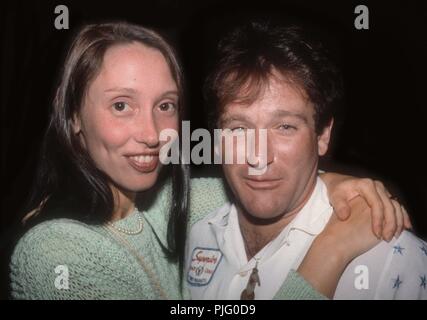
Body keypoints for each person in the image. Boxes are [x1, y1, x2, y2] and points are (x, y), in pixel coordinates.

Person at [9, 21, 408, 300]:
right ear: (74, 117)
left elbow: (260, 182)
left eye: (164, 105)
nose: (152, 133)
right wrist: (330, 253)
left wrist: (332, 183)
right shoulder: (52, 254)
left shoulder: (171, 203)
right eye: (121, 105)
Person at [186, 20, 427, 300]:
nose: (258, 157)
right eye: (239, 129)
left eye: (285, 127)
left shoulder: (391, 264)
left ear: (323, 135)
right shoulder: (185, 237)